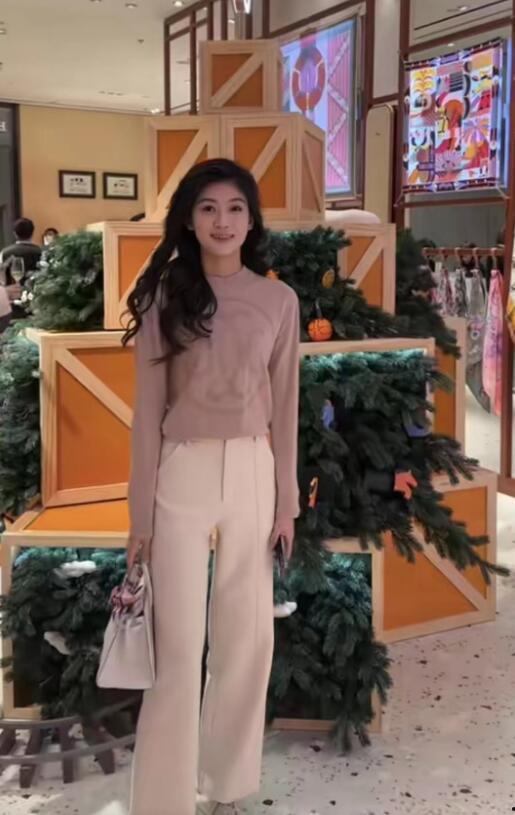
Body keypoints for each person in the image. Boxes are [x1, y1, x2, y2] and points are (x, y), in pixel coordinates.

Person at [123, 158, 300, 815]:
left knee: (246, 640)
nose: (221, 221)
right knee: (174, 646)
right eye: (207, 208)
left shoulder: (279, 301)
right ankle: (162, 799)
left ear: (251, 221)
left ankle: (226, 786)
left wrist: (286, 501)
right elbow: (147, 412)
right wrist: (139, 515)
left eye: (234, 208)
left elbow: (286, 407)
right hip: (182, 470)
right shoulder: (164, 297)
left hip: (252, 469)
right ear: (189, 220)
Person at [0, 218, 42, 285]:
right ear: (32, 233)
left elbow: (1, 278)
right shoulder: (41, 252)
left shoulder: (4, 253)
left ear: (15, 233)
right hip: (37, 290)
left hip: (11, 290)